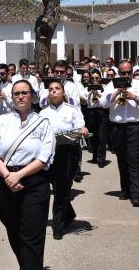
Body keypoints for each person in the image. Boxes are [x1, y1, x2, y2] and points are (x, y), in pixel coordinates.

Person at [0, 80, 55, 270]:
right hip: (6, 180)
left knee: (32, 235)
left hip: (34, 181)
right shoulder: (2, 121)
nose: (20, 96)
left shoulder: (43, 122)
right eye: (16, 93)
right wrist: (9, 176)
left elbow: (44, 158)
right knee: (13, 230)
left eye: (24, 93)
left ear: (32, 96)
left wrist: (19, 176)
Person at [101, 60, 139, 207]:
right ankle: (125, 189)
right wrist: (116, 92)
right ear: (119, 72)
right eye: (123, 73)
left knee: (134, 159)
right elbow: (103, 103)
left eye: (128, 72)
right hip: (117, 127)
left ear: (132, 71)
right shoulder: (111, 84)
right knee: (122, 159)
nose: (126, 75)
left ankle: (136, 194)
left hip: (135, 126)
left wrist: (135, 97)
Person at [40, 79, 87, 240]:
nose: (53, 91)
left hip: (68, 153)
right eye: (51, 89)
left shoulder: (72, 110)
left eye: (57, 88)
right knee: (56, 188)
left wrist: (83, 130)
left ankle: (58, 226)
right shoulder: (43, 113)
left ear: (63, 92)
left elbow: (81, 126)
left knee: (62, 189)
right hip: (50, 154)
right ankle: (65, 218)